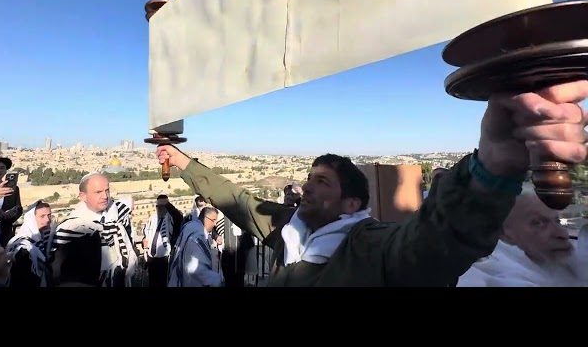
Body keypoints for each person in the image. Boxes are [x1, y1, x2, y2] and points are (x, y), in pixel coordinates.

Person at [156, 80, 588, 286]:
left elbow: (434, 239)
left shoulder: (369, 244)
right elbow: (236, 200)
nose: (307, 186)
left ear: (350, 205)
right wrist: (183, 162)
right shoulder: (287, 230)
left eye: (321, 182)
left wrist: (492, 167)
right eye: (308, 177)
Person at [457, 184, 588, 287]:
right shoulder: (491, 274)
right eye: (538, 223)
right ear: (505, 235)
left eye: (557, 221)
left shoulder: (566, 257)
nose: (562, 234)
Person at [49, 173, 138, 287]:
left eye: (107, 190)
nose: (105, 196)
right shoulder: (70, 228)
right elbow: (60, 271)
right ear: (82, 196)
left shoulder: (115, 215)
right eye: (98, 192)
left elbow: (127, 203)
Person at [168, 206, 224, 287]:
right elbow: (197, 268)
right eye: (213, 220)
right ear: (206, 218)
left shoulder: (190, 228)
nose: (215, 224)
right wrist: (216, 279)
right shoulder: (197, 236)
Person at [6, 200, 54, 287]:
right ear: (32, 219)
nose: (47, 220)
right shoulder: (22, 247)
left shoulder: (46, 239)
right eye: (42, 216)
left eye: (49, 215)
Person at [142, 194, 183, 287]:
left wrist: (168, 205)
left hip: (165, 259)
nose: (159, 208)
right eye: (157, 206)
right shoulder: (152, 218)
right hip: (151, 258)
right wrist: (144, 240)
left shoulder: (171, 218)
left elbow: (178, 218)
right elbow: (146, 232)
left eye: (162, 206)